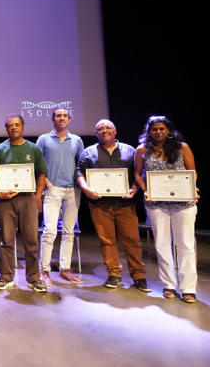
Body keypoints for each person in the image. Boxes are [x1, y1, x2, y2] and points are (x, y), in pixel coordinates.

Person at [76, 119, 149, 291]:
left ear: (115, 131)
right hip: (100, 205)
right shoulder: (88, 152)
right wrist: (85, 188)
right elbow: (79, 172)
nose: (104, 131)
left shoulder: (130, 151)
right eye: (100, 129)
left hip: (125, 204)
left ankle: (139, 276)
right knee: (107, 241)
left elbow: (139, 173)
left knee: (132, 241)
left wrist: (134, 188)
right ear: (96, 133)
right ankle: (114, 274)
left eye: (108, 128)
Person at [134, 116, 197, 302]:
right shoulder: (142, 150)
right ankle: (169, 284)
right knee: (162, 245)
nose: (158, 132)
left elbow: (192, 173)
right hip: (156, 203)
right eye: (154, 129)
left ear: (168, 130)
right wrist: (146, 191)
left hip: (183, 203)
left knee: (185, 245)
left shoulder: (182, 147)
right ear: (149, 131)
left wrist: (192, 189)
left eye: (162, 129)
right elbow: (138, 175)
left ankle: (188, 287)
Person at [0, 114, 48, 292]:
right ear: (6, 129)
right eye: (10, 125)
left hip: (28, 199)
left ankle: (34, 278)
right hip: (7, 201)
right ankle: (6, 276)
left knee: (31, 240)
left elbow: (41, 174)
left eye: (17, 125)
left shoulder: (33, 149)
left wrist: (37, 196)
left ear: (23, 127)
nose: (14, 128)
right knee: (6, 240)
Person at [36, 108, 85, 285]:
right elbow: (37, 163)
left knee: (69, 231)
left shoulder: (77, 140)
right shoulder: (44, 139)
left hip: (72, 190)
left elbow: (81, 164)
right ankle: (45, 270)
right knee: (49, 231)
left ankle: (65, 269)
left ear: (69, 120)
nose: (62, 118)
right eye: (58, 116)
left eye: (65, 116)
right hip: (53, 189)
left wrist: (80, 184)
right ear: (53, 119)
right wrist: (47, 183)